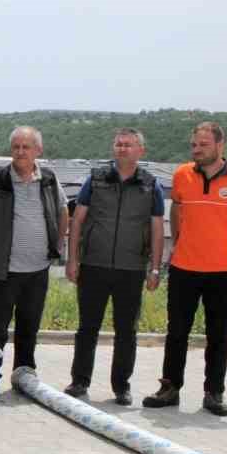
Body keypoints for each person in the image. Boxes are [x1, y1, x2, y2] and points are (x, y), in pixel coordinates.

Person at [144, 121, 227, 416]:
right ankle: (170, 388)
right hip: (184, 269)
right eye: (194, 145)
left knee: (218, 335)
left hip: (223, 272)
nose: (196, 150)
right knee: (176, 333)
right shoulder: (183, 174)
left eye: (203, 145)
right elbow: (177, 210)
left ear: (220, 145)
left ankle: (214, 393)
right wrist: (178, 247)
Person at [64, 128, 165, 404]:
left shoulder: (150, 185)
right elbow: (77, 221)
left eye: (128, 145)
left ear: (140, 151)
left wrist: (155, 268)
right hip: (93, 265)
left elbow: (157, 229)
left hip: (131, 269)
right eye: (119, 144)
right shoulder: (95, 180)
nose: (122, 149)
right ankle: (79, 382)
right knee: (87, 328)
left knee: (126, 331)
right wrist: (72, 259)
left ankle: (121, 386)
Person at [0, 126, 67, 377]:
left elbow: (62, 210)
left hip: (38, 268)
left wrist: (58, 245)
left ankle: (24, 373)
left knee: (30, 324)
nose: (20, 151)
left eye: (26, 147)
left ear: (38, 150)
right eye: (16, 146)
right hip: (4, 269)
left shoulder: (48, 179)